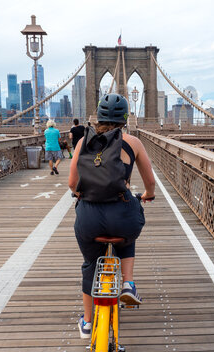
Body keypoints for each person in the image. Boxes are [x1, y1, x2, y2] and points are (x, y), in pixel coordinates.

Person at [68, 93, 155, 339]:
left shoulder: (82, 142)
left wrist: (82, 194)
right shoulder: (133, 142)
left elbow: (72, 183)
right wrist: (146, 195)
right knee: (130, 225)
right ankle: (128, 283)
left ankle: (87, 323)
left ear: (99, 116)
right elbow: (150, 182)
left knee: (89, 264)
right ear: (125, 118)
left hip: (89, 219)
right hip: (121, 215)